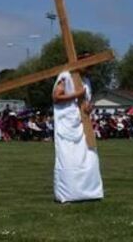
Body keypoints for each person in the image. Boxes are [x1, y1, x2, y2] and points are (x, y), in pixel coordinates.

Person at [52, 52, 104, 203]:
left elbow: (85, 100)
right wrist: (76, 94)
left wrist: (88, 107)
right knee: (68, 158)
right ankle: (68, 194)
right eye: (88, 65)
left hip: (83, 122)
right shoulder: (65, 76)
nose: (90, 69)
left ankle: (90, 192)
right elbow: (56, 97)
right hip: (67, 123)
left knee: (89, 156)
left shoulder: (86, 80)